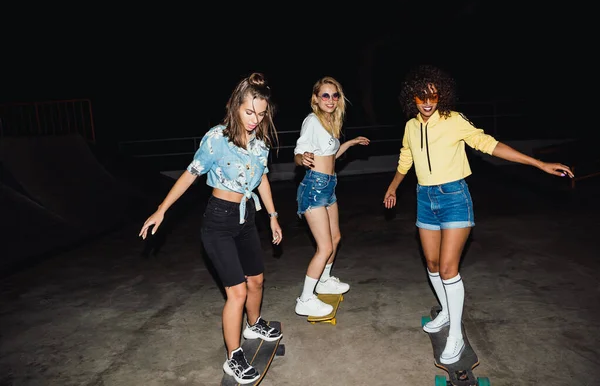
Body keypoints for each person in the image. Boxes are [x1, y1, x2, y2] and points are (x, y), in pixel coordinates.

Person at [383, 64, 574, 365]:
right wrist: (393, 187)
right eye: (421, 97)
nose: (428, 102)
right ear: (413, 99)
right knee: (432, 264)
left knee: (448, 268)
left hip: (454, 197)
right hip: (424, 198)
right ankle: (446, 311)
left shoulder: (453, 120)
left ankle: (456, 336)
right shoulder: (410, 127)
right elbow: (406, 158)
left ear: (441, 95)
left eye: (433, 95)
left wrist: (538, 164)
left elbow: (489, 144)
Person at [138, 72, 284, 384]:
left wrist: (272, 215)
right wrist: (161, 210)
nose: (254, 120)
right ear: (235, 106)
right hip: (218, 220)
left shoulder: (261, 145)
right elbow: (190, 174)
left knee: (257, 281)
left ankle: (254, 323)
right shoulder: (217, 138)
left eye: (260, 114)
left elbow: (262, 181)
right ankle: (233, 357)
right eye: (249, 112)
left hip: (247, 218)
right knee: (237, 291)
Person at [293, 76, 370, 317]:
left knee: (335, 238)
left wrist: (351, 143)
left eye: (335, 95)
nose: (331, 100)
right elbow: (298, 152)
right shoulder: (312, 121)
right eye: (325, 95)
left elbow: (331, 156)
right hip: (314, 187)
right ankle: (305, 298)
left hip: (329, 185)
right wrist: (301, 158)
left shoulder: (329, 121)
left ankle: (324, 280)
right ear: (316, 98)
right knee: (324, 247)